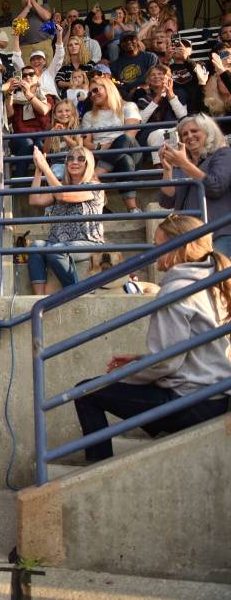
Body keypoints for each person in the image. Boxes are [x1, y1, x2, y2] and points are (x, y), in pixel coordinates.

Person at [73, 214, 231, 462]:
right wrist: (141, 359)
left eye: (160, 245)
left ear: (180, 248)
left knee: (84, 392)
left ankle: (99, 467)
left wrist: (126, 373)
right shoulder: (215, 281)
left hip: (188, 403)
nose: (155, 251)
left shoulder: (176, 291)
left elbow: (168, 363)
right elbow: (188, 350)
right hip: (214, 397)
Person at [27, 146, 105, 293]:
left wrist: (46, 168)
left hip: (87, 241)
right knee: (35, 246)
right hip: (58, 241)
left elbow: (63, 196)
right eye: (70, 158)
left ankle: (73, 291)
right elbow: (34, 199)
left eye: (81, 159)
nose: (74, 162)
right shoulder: (61, 188)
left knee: (57, 250)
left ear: (88, 164)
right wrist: (38, 170)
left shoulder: (94, 186)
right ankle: (39, 299)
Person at [159, 114, 231, 256]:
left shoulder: (223, 154)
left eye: (194, 131)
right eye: (184, 134)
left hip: (219, 233)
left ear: (208, 132)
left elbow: (215, 187)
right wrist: (167, 169)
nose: (189, 136)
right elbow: (166, 201)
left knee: (219, 277)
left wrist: (183, 163)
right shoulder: (183, 166)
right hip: (190, 239)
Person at [82, 76, 143, 212]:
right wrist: (100, 147)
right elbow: (86, 142)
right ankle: (132, 209)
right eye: (90, 93)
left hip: (130, 151)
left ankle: (96, 175)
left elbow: (130, 134)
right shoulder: (88, 116)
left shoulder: (128, 106)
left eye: (96, 90)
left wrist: (110, 146)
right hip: (102, 154)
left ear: (108, 88)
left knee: (123, 139)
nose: (93, 95)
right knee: (124, 160)